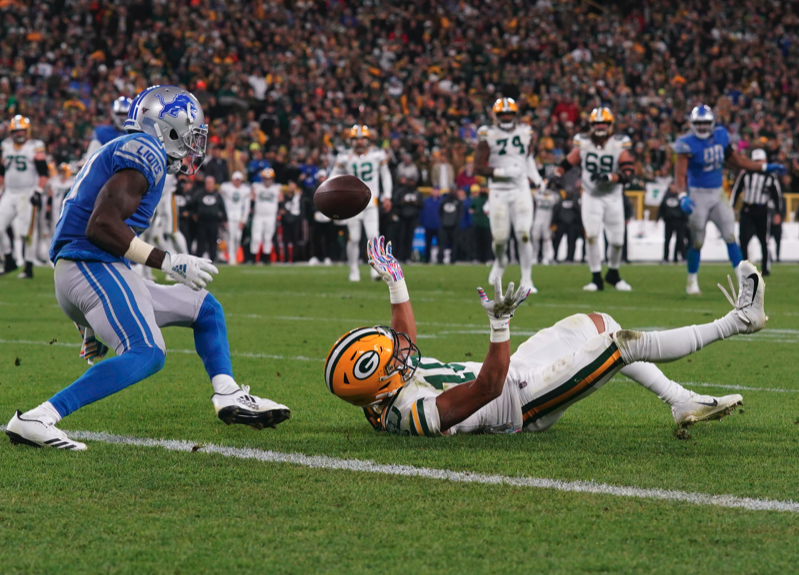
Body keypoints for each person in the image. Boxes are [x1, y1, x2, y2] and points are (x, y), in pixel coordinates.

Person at [5, 85, 288, 450]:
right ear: (167, 127)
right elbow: (100, 224)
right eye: (190, 133)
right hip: (90, 267)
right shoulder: (147, 149)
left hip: (92, 271)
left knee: (204, 307)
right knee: (147, 351)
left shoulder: (131, 149)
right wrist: (167, 262)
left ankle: (228, 393)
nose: (193, 144)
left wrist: (88, 320)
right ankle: (38, 417)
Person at [324, 237, 765, 438]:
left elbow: (403, 339)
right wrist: (499, 325)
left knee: (598, 321)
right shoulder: (410, 415)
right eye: (393, 360)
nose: (402, 351)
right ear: (380, 386)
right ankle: (740, 321)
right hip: (522, 401)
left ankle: (680, 401)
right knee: (619, 344)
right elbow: (487, 388)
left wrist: (396, 282)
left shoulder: (382, 390)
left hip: (515, 371)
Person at [673, 105, 785, 294]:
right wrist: (682, 195)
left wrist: (764, 168)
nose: (702, 127)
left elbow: (737, 161)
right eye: (698, 123)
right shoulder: (686, 143)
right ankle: (692, 281)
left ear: (712, 123)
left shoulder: (720, 136)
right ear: (692, 123)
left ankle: (744, 283)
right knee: (697, 240)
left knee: (730, 236)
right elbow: (679, 173)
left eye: (705, 123)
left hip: (717, 193)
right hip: (697, 195)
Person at [557, 107, 633, 291]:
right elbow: (569, 161)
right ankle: (596, 278)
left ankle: (613, 273)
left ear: (610, 125)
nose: (600, 127)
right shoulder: (583, 142)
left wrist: (609, 177)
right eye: (597, 123)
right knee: (591, 236)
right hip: (591, 195)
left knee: (617, 241)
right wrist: (557, 173)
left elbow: (629, 173)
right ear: (591, 125)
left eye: (604, 123)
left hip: (613, 196)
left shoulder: (619, 143)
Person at [475, 98, 543, 292]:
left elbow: (527, 158)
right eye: (502, 114)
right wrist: (502, 172)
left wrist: (537, 178)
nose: (506, 117)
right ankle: (501, 260)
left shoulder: (526, 132)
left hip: (521, 189)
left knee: (523, 234)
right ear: (496, 116)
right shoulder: (487, 134)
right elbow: (478, 167)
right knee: (500, 239)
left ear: (515, 115)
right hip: (498, 190)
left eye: (509, 114)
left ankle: (527, 279)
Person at [330, 125, 392, 281]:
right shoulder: (344, 156)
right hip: (351, 203)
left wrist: (387, 196)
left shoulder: (377, 154)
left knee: (373, 235)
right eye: (356, 139)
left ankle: (376, 269)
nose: (359, 142)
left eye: (362, 138)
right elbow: (333, 176)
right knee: (355, 238)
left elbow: (386, 175)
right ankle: (353, 269)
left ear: (368, 139)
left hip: (371, 201)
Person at [0, 115, 49, 278]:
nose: (19, 133)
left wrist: (38, 191)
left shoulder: (35, 146)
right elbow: (2, 171)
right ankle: (9, 260)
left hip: (27, 193)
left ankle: (28, 267)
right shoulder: (6, 145)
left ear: (27, 131)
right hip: (9, 192)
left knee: (27, 233)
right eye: (16, 130)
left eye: (21, 130)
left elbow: (44, 172)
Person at [730, 149, 783, 277]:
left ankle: (765, 268)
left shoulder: (770, 176)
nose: (758, 163)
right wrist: (731, 206)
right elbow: (736, 190)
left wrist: (778, 212)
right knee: (743, 240)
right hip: (747, 209)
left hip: (762, 210)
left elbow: (777, 196)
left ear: (765, 161)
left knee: (764, 240)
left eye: (760, 161)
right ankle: (745, 268)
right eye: (756, 161)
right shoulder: (745, 174)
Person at [249, 167, 281, 264]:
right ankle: (253, 258)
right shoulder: (257, 187)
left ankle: (266, 258)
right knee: (256, 237)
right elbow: (252, 199)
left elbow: (281, 200)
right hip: (258, 215)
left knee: (268, 237)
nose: (267, 180)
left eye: (269, 178)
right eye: (266, 178)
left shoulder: (277, 188)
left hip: (271, 216)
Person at [219, 171, 251, 265]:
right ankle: (231, 258)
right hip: (228, 216)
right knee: (231, 237)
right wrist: (224, 218)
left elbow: (247, 206)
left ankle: (234, 256)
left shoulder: (245, 190)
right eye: (236, 180)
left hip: (239, 216)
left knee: (238, 238)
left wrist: (243, 220)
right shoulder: (227, 187)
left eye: (239, 180)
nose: (237, 182)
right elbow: (221, 197)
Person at [194, 175, 227, 262]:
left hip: (214, 222)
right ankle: (198, 259)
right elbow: (192, 204)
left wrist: (225, 220)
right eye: (208, 183)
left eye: (211, 183)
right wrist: (193, 214)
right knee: (201, 241)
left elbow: (223, 208)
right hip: (202, 222)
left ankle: (213, 259)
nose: (209, 185)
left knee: (213, 241)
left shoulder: (217, 195)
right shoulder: (199, 194)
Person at [392, 168, 422, 263]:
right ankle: (400, 257)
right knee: (401, 238)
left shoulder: (417, 192)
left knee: (410, 238)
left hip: (412, 218)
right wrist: (403, 202)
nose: (411, 183)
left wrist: (416, 203)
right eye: (410, 181)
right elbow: (395, 203)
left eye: (413, 181)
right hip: (403, 218)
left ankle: (408, 257)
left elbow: (422, 205)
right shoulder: (401, 191)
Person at [658, 183, 688, 263]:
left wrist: (686, 220)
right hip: (669, 221)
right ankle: (665, 258)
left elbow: (684, 209)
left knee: (681, 240)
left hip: (679, 221)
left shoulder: (680, 197)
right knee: (667, 240)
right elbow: (662, 208)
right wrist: (658, 217)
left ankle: (683, 257)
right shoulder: (666, 196)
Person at [531, 186, 560, 265]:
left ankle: (546, 257)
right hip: (537, 220)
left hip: (547, 221)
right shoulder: (538, 194)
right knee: (535, 238)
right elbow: (532, 192)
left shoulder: (553, 196)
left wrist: (550, 192)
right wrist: (540, 189)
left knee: (546, 239)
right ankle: (534, 256)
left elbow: (558, 196)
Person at [552, 189, 582, 262]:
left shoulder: (574, 201)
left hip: (571, 224)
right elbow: (556, 211)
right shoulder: (561, 201)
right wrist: (554, 222)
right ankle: (555, 257)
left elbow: (578, 212)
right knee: (557, 241)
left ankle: (570, 258)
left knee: (571, 242)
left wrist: (578, 224)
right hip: (561, 224)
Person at [47, 163, 75, 239]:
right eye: (61, 171)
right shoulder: (54, 181)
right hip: (55, 208)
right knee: (54, 226)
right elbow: (50, 193)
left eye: (64, 171)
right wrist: (48, 204)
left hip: (67, 208)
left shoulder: (72, 182)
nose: (62, 173)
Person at [438, 189, 462, 264]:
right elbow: (440, 212)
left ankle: (453, 259)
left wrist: (455, 222)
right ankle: (440, 259)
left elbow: (460, 213)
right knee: (442, 243)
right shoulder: (444, 201)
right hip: (444, 226)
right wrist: (444, 221)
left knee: (454, 243)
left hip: (454, 226)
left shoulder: (458, 202)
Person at [470, 185, 492, 263]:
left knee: (487, 242)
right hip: (477, 223)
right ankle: (477, 258)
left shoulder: (489, 199)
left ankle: (488, 258)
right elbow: (471, 209)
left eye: (484, 188)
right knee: (477, 242)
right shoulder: (476, 199)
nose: (483, 190)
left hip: (487, 224)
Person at [419, 186, 442, 263]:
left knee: (440, 243)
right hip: (428, 225)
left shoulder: (442, 201)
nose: (435, 192)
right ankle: (427, 259)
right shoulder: (426, 201)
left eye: (437, 190)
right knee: (428, 243)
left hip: (439, 225)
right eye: (434, 190)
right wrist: (422, 222)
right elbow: (422, 212)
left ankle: (440, 259)